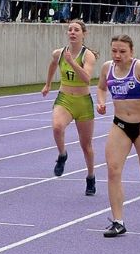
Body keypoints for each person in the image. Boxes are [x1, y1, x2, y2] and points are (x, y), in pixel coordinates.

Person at [95, 34, 140, 237]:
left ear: (131, 52)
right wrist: (101, 102)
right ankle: (118, 221)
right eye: (114, 51)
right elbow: (101, 87)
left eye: (122, 51)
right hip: (120, 125)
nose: (118, 55)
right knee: (113, 170)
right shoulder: (107, 68)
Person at [42, 20, 99, 196]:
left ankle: (91, 177)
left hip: (83, 103)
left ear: (83, 34)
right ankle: (62, 154)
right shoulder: (59, 53)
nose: (72, 32)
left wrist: (72, 62)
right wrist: (48, 84)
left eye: (76, 30)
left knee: (86, 145)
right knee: (57, 127)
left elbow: (87, 78)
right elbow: (53, 64)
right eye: (70, 30)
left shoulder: (88, 55)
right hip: (65, 98)